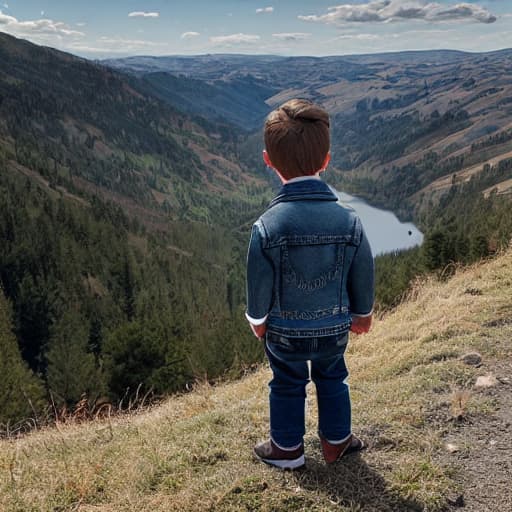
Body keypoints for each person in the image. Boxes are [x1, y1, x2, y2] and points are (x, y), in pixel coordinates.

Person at [246, 99, 374, 469]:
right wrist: (362, 314)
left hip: (284, 331)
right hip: (334, 327)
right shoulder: (349, 221)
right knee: (334, 377)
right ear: (326, 160)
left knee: (286, 382)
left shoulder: (267, 226)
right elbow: (362, 271)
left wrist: (258, 321)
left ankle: (287, 450)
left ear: (268, 160)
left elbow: (259, 283)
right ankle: (337, 443)